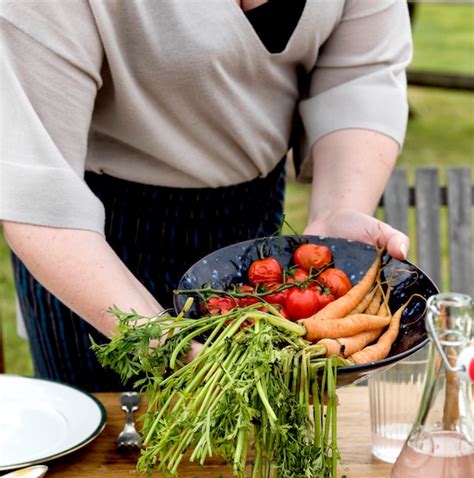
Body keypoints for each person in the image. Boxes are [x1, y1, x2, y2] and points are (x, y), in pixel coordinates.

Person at [0, 0, 412, 391]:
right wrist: (164, 346)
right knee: (114, 449)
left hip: (252, 236)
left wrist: (339, 209)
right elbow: (39, 181)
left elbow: (361, 73)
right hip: (95, 245)